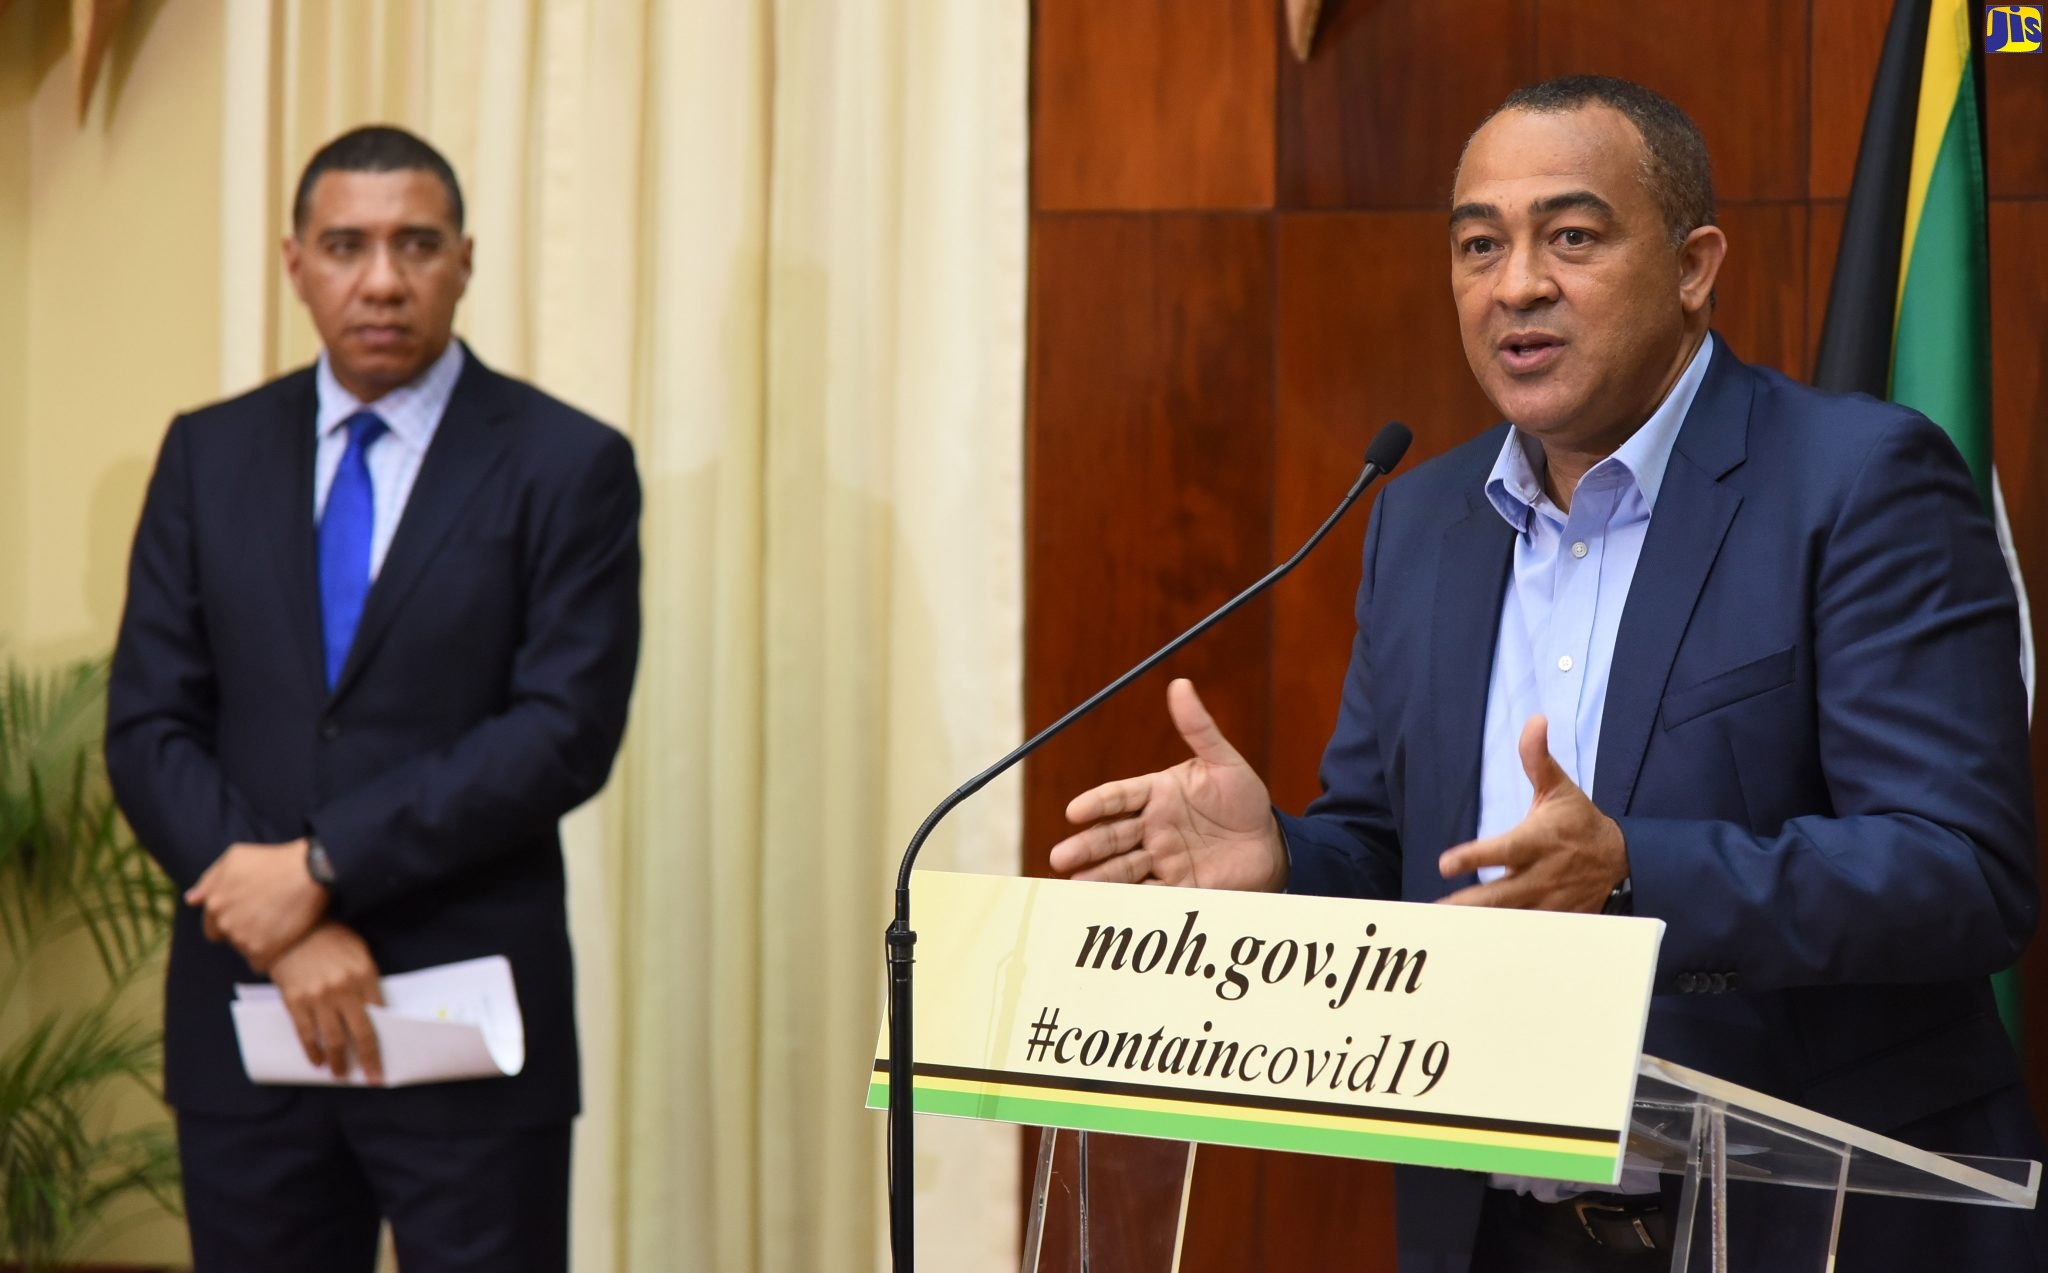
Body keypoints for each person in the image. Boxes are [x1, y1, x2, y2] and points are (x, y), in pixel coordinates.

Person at [1051, 76, 2047, 1272]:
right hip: (1501, 1234)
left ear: (1692, 266)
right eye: (1478, 244)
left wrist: (1630, 873)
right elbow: (1388, 850)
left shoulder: (1849, 483)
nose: (1514, 282)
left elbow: (1962, 871)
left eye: (1569, 236)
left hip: (1802, 1227)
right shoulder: (1420, 522)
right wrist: (1279, 858)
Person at [106, 125, 640, 1273]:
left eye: (416, 244)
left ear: (465, 259)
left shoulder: (567, 462)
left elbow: (563, 733)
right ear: (296, 262)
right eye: (347, 245)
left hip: (468, 1034)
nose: (383, 279)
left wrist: (315, 869)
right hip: (250, 1024)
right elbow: (149, 727)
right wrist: (283, 931)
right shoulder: (208, 454)